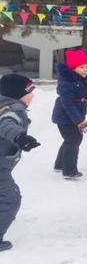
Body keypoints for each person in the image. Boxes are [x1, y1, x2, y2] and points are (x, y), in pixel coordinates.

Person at [0, 74, 40, 251]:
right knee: (10, 199)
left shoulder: (4, 105)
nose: (33, 96)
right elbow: (6, 125)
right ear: (17, 94)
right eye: (29, 92)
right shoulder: (12, 111)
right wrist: (20, 136)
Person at [52, 49, 87, 179]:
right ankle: (69, 171)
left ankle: (59, 164)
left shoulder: (81, 79)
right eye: (81, 67)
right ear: (73, 67)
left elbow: (83, 96)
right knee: (74, 140)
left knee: (69, 140)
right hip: (65, 117)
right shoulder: (67, 82)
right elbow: (68, 104)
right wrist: (79, 121)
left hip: (74, 116)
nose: (85, 70)